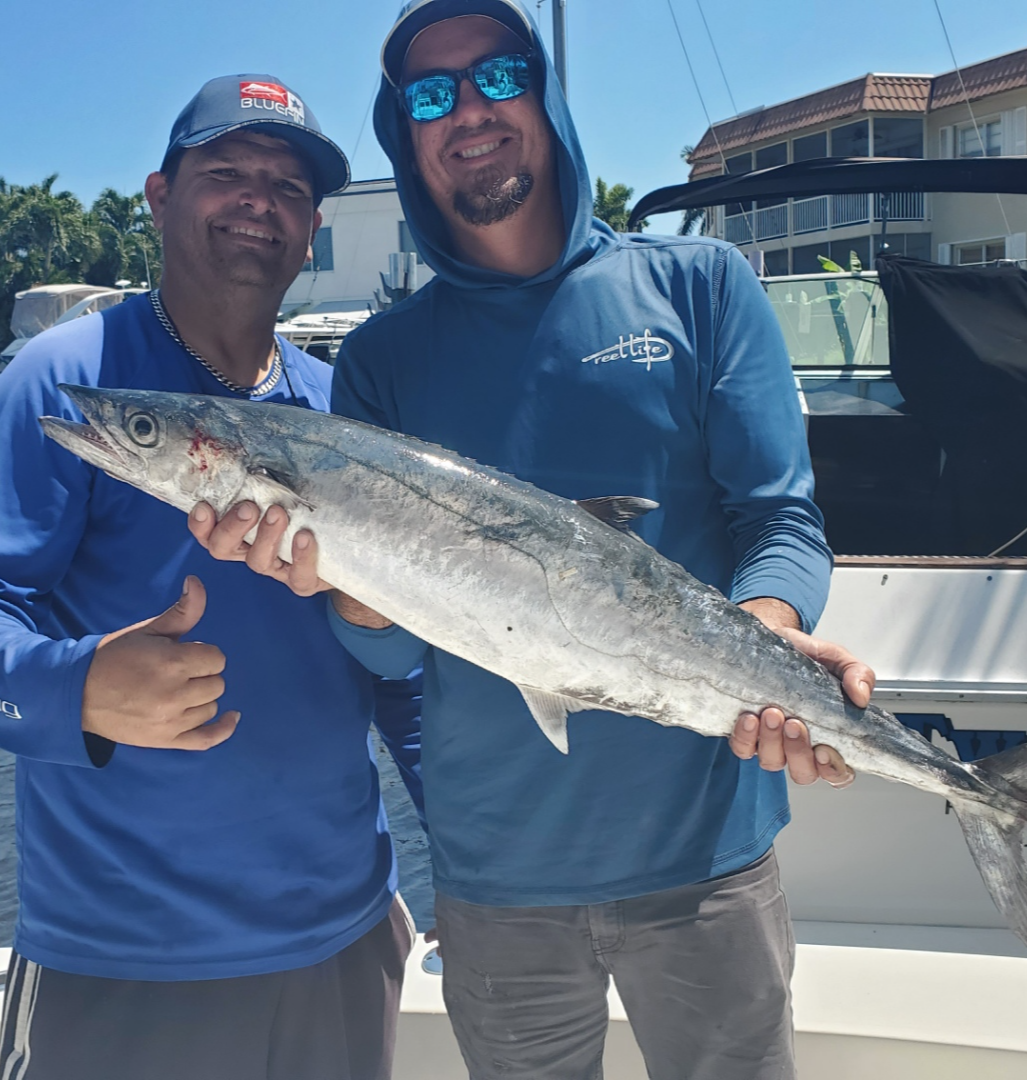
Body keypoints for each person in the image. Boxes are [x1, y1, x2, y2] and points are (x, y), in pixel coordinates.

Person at [192, 5, 876, 1077]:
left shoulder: (698, 288)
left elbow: (778, 518)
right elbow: (390, 652)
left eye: (496, 74)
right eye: (430, 94)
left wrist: (772, 633)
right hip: (495, 875)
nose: (467, 109)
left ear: (546, 93)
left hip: (707, 851)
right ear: (403, 133)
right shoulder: (382, 361)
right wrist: (349, 580)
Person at [0, 74, 422, 1080]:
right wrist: (77, 689)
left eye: (286, 185)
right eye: (226, 171)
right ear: (158, 196)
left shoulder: (346, 408)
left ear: (312, 224)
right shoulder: (64, 382)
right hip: (126, 960)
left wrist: (465, 858)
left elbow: (402, 671)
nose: (257, 200)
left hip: (346, 936)